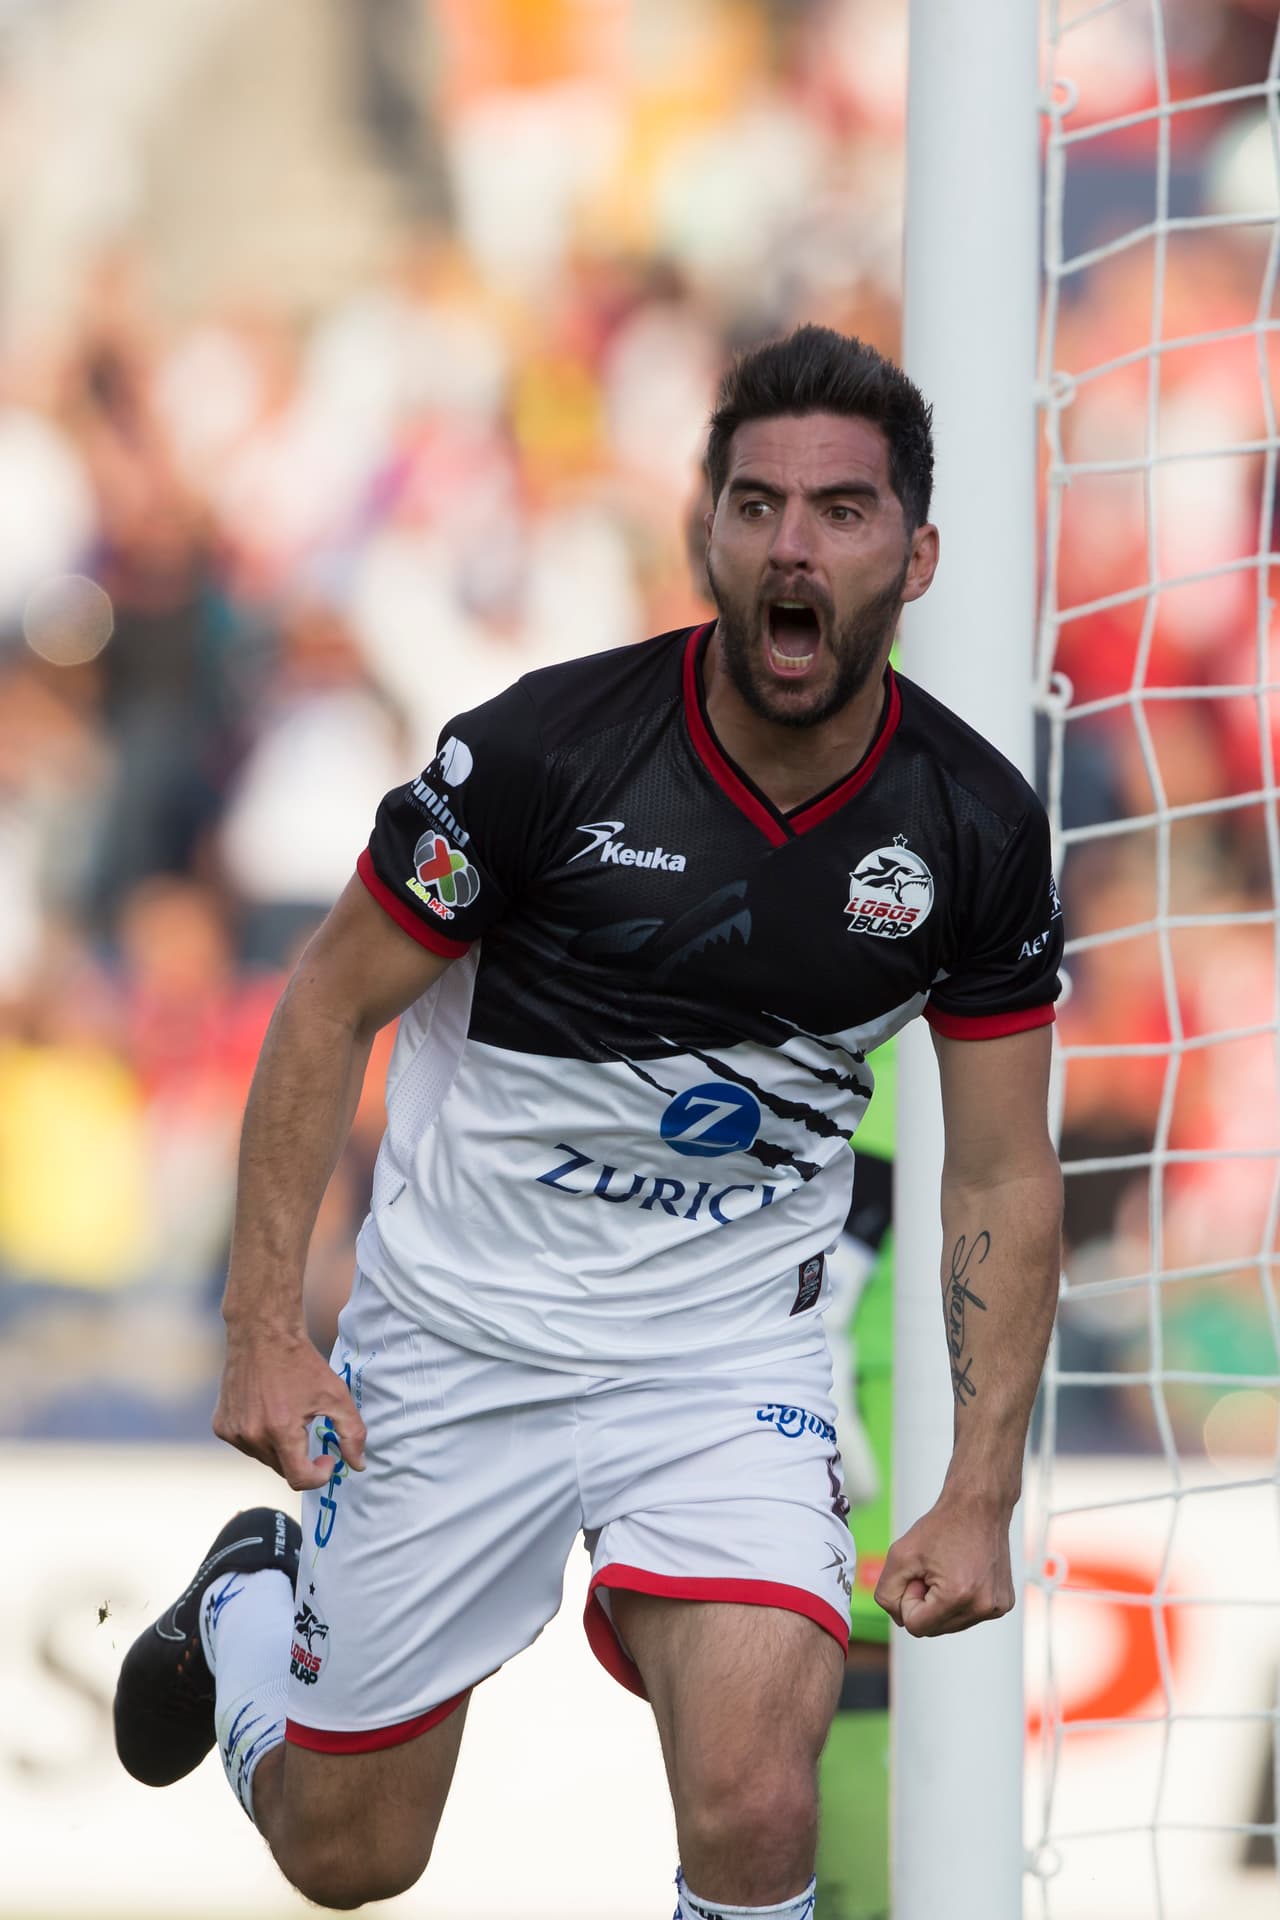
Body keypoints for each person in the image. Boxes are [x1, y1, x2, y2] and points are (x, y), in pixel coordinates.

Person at [113, 325, 1064, 1920]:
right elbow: (324, 1008)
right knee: (352, 1859)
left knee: (762, 1805)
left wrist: (982, 1482)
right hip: (454, 1342)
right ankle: (243, 1618)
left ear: (919, 549)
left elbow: (998, 1163)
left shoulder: (972, 827)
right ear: (708, 528)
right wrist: (263, 1326)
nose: (791, 543)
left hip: (723, 1367)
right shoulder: (540, 756)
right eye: (755, 504)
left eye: (840, 510)